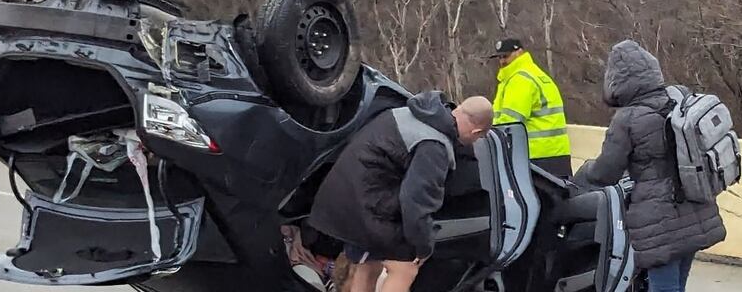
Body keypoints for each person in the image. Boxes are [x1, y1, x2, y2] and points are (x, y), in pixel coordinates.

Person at [574, 40, 726, 292]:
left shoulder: (627, 118)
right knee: (677, 286)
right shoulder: (679, 99)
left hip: (659, 222)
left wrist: (586, 172)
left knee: (663, 288)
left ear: (616, 81)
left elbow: (605, 173)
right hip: (695, 207)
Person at [308, 91, 493, 292]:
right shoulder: (434, 146)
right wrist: (423, 247)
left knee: (368, 265)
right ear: (476, 133)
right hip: (363, 207)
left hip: (346, 198)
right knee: (406, 268)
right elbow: (416, 203)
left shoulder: (408, 113)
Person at [490, 38, 572, 177]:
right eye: (499, 57)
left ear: (519, 52)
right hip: (555, 155)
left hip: (535, 158)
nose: (502, 61)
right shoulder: (535, 74)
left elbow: (509, 124)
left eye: (506, 56)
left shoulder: (520, 80)